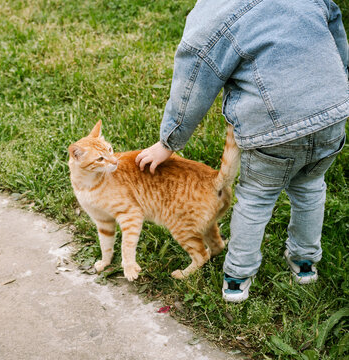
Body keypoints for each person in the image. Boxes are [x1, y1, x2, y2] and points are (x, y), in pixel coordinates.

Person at [135, 0, 348, 302]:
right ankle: (304, 265)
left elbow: (193, 79)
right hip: (332, 114)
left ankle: (237, 278)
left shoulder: (215, 13)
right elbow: (333, 19)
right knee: (310, 187)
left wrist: (169, 141)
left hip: (274, 127)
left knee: (256, 198)